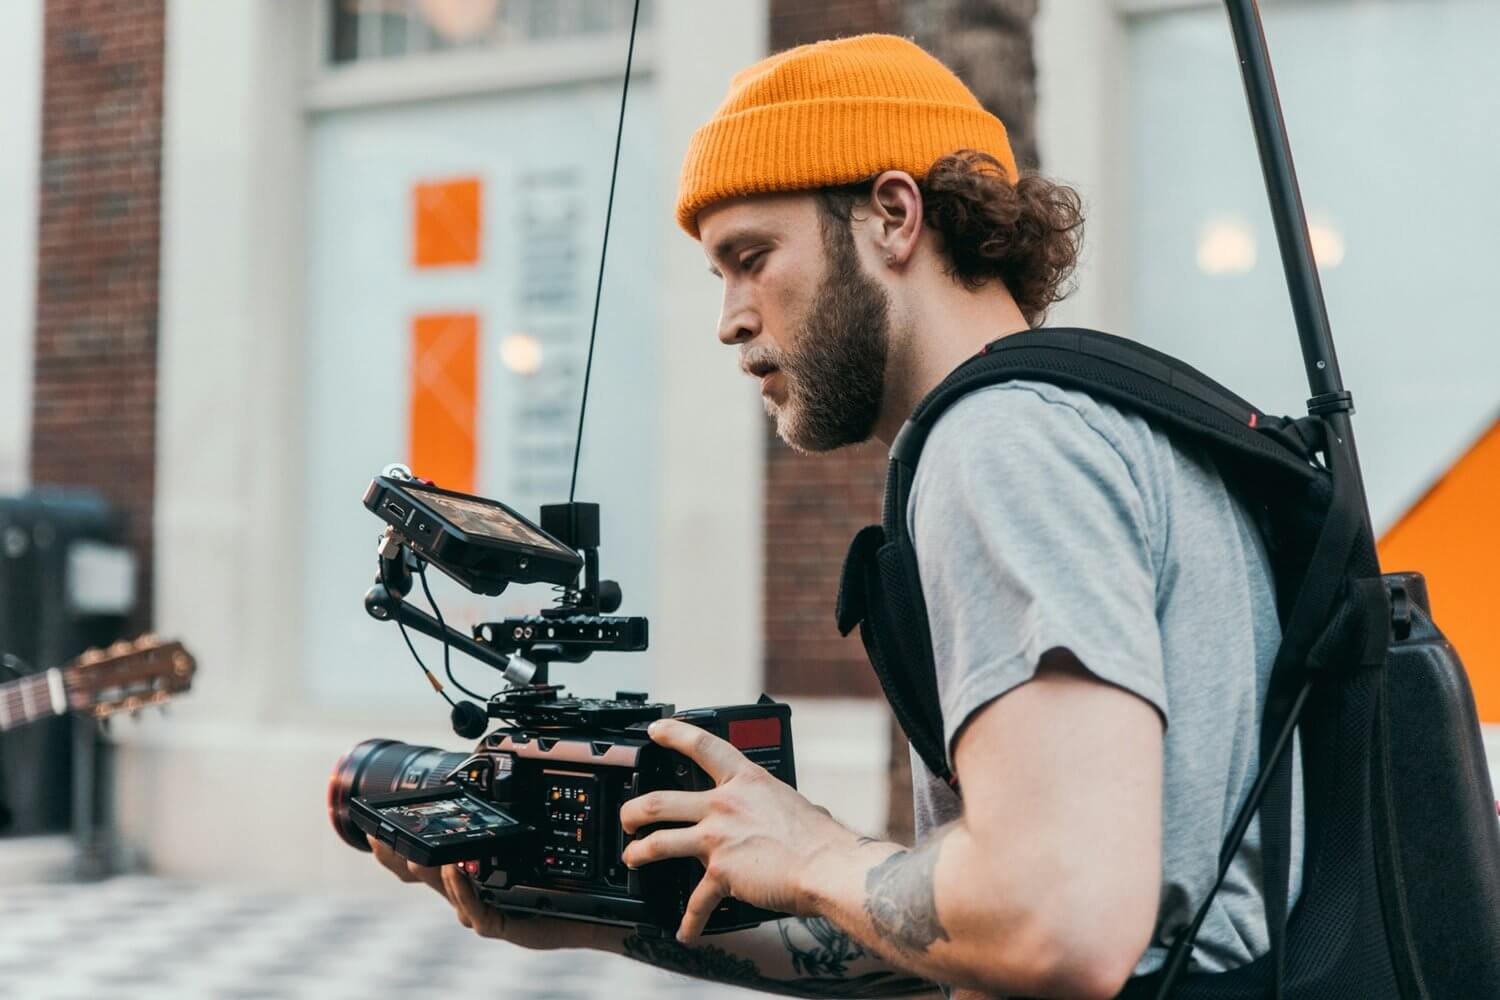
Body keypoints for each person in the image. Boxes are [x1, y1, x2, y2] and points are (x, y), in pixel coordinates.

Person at [370, 33, 1298, 999]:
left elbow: (1055, 921)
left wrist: (814, 853)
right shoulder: (1100, 416)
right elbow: (959, 930)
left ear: (893, 215)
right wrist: (598, 920)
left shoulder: (1000, 444)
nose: (729, 316)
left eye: (750, 257)